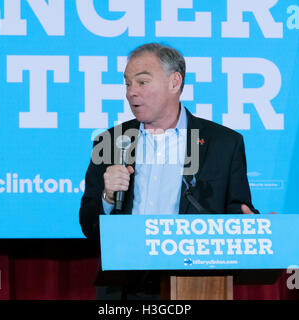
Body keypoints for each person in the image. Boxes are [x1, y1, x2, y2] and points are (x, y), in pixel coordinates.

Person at [79, 43, 258, 299]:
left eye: (142, 82)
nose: (131, 93)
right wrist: (107, 199)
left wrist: (254, 227)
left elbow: (237, 212)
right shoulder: (110, 141)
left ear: (175, 82)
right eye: (127, 84)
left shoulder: (223, 143)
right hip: (125, 290)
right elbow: (88, 225)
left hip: (196, 287)